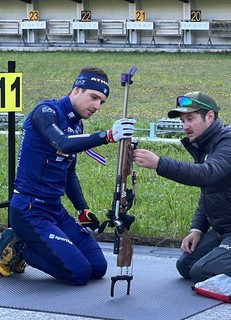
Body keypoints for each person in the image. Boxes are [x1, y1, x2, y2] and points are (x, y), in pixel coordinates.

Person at [0, 67, 136, 285]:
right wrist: (107, 135)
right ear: (77, 90)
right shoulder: (45, 112)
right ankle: (18, 246)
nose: (97, 106)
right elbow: (62, 142)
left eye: (102, 102)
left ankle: (32, 244)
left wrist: (82, 209)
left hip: (54, 209)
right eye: (94, 97)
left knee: (98, 267)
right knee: (79, 274)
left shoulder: (77, 124)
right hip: (29, 209)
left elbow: (68, 171)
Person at [133, 91, 231, 285]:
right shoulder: (204, 144)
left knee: (202, 272)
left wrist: (160, 163)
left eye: (190, 119)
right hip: (226, 228)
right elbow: (208, 190)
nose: (185, 126)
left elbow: (207, 174)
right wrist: (197, 229)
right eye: (182, 121)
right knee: (186, 266)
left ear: (210, 116)